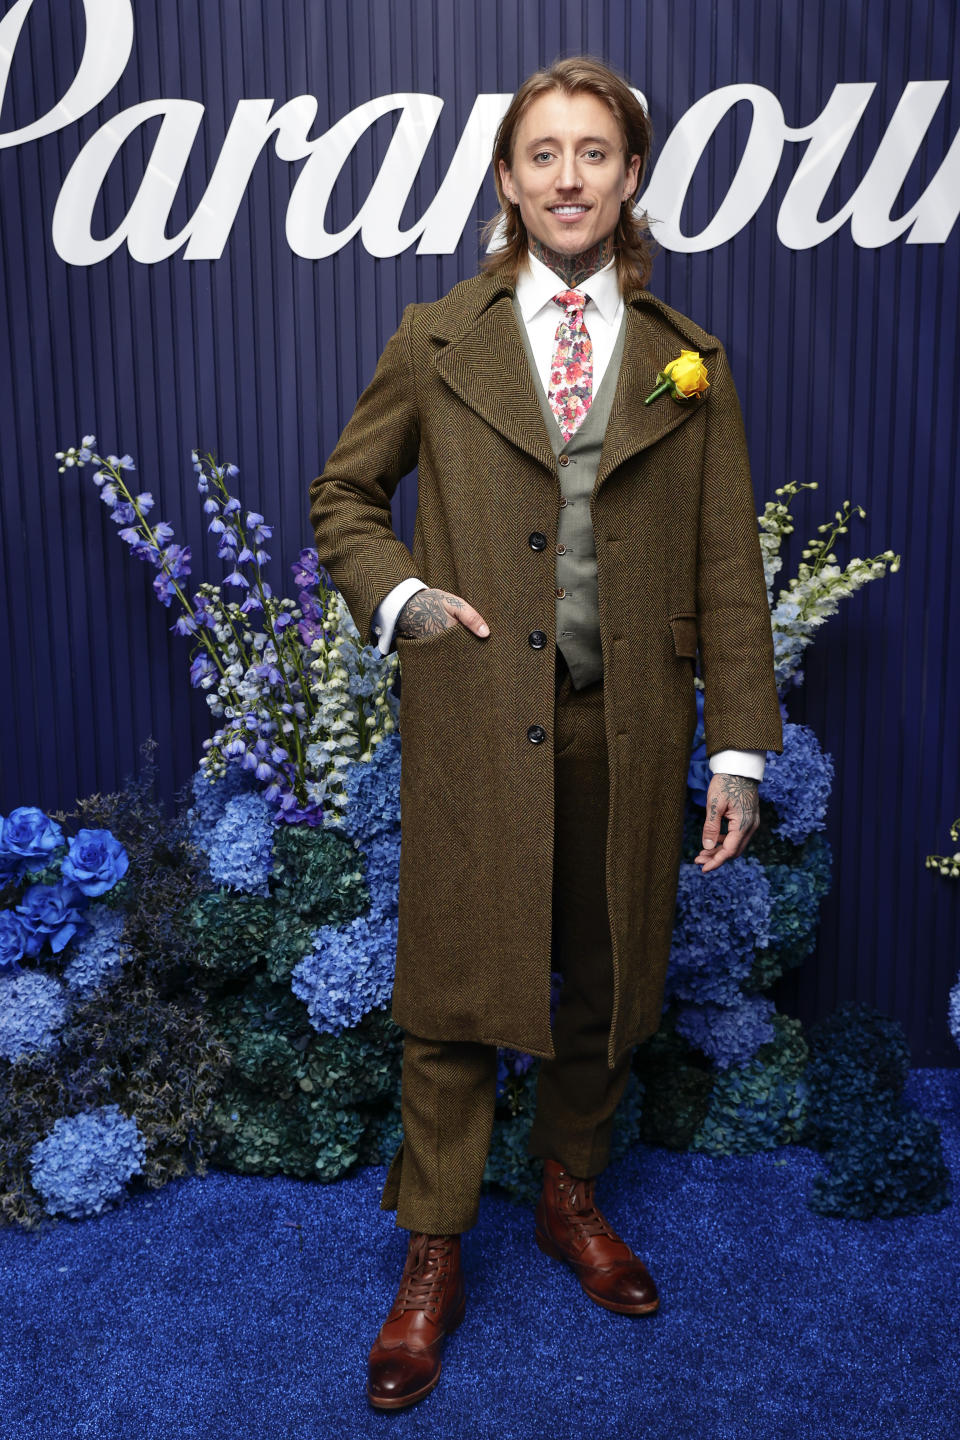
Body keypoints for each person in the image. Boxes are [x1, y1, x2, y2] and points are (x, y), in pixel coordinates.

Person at [308, 55, 783, 1411]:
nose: (568, 177)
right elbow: (343, 497)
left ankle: (569, 1193)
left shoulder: (685, 360)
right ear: (508, 181)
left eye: (594, 153)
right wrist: (400, 595)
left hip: (629, 727)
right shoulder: (435, 336)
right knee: (455, 997)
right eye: (542, 154)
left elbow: (724, 565)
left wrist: (738, 746)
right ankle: (434, 1251)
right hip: (475, 718)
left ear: (630, 179)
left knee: (612, 977)